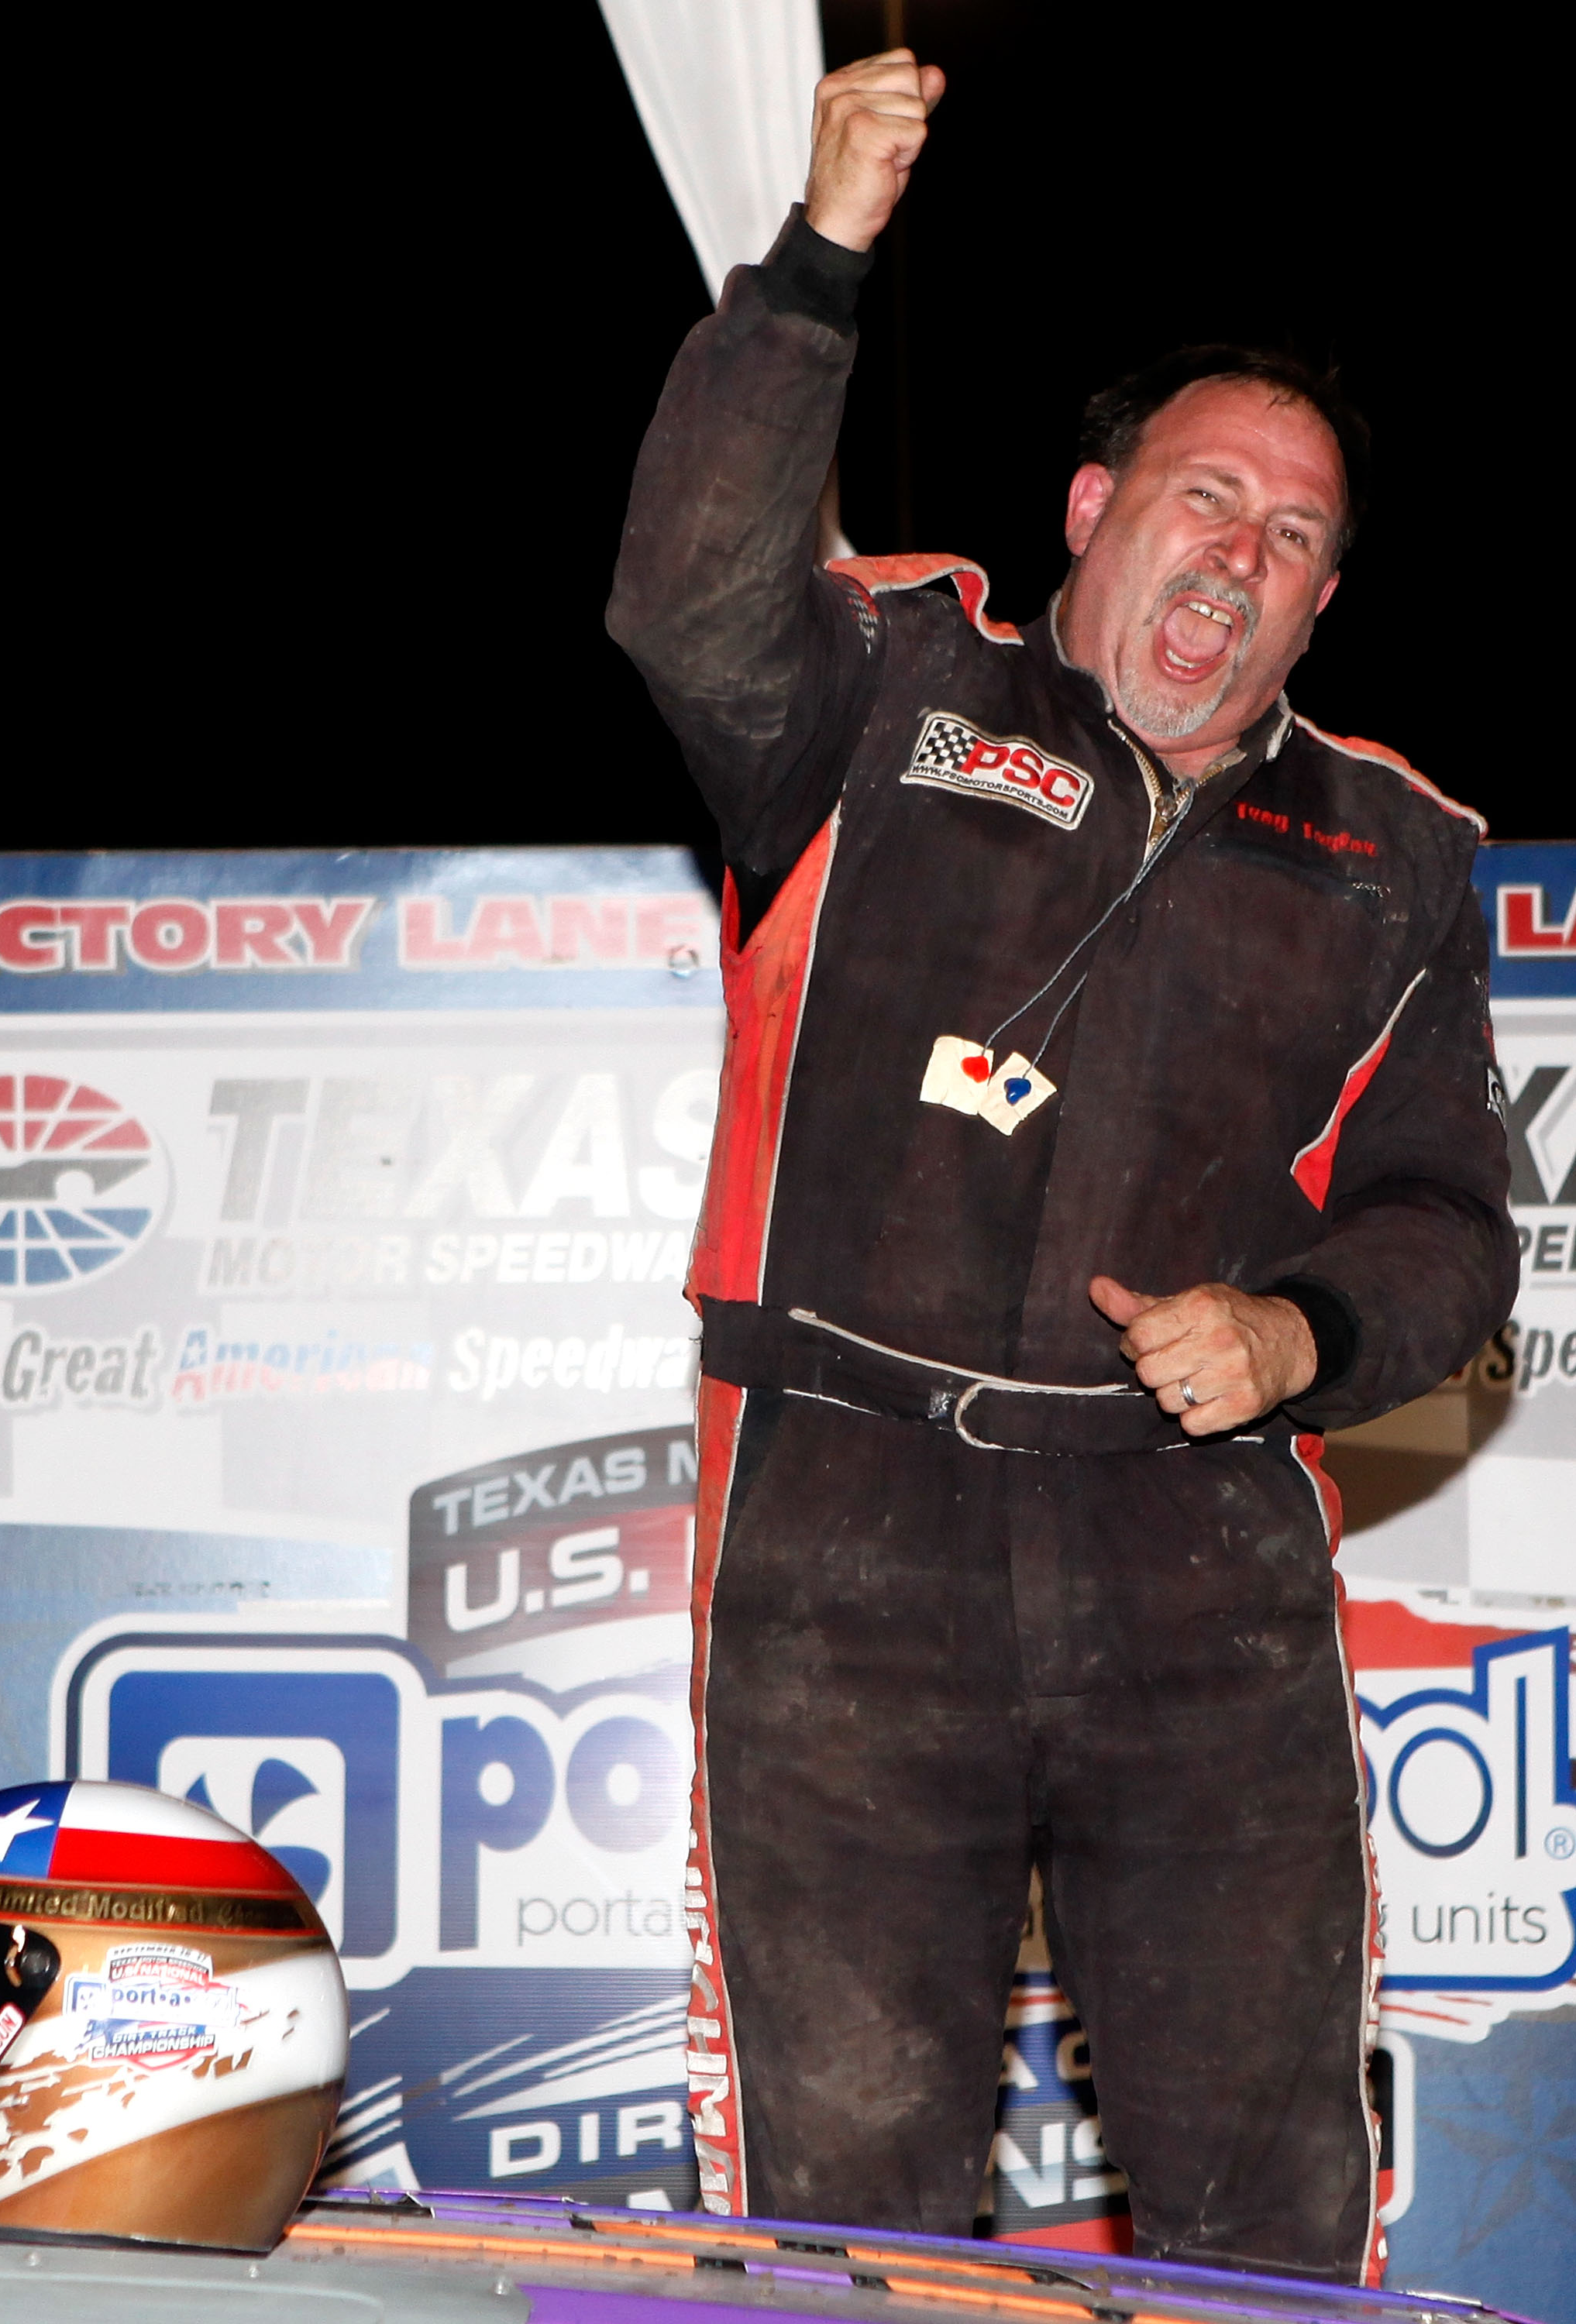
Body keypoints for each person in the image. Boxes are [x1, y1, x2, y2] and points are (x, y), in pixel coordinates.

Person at [607, 46, 1516, 2284]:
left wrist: (1297, 1328)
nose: (1245, 552)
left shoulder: (1392, 853)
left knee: (1267, 2219)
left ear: (1319, 611)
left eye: (1297, 539)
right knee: (851, 2218)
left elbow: (1451, 1236)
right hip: (847, 1544)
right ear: (1093, 511)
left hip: (1195, 1579)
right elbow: (689, 600)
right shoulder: (890, 690)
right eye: (1209, 497)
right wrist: (813, 266)